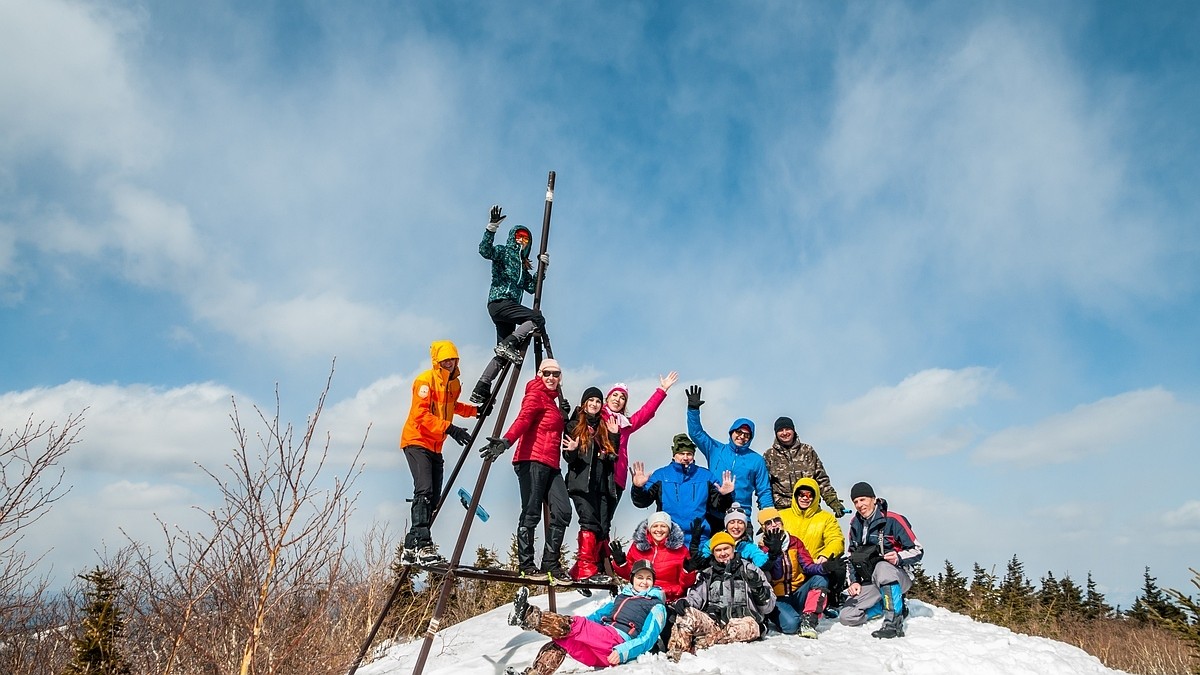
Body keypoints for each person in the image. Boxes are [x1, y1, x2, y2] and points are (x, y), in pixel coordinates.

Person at [480, 359, 573, 578]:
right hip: (530, 460)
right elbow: (523, 420)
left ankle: (550, 563)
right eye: (547, 373)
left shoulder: (553, 402)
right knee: (531, 512)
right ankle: (526, 564)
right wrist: (506, 441)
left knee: (563, 511)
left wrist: (564, 416)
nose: (551, 378)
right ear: (539, 374)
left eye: (556, 374)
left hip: (551, 464)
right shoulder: (535, 395)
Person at [506, 559, 667, 675]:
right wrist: (573, 630)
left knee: (575, 625)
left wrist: (624, 650)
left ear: (653, 581)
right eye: (640, 577)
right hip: (600, 646)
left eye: (648, 578)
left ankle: (527, 615)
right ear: (632, 579)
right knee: (563, 641)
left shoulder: (656, 605)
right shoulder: (621, 597)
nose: (644, 582)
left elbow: (648, 638)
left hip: (618, 643)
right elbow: (596, 617)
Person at [399, 340, 481, 565]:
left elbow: (452, 406)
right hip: (416, 440)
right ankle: (423, 545)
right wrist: (450, 428)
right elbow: (420, 415)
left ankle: (410, 545)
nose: (449, 363)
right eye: (445, 360)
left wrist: (475, 411)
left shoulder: (454, 384)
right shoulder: (425, 381)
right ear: (437, 361)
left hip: (436, 444)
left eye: (452, 359)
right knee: (424, 490)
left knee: (434, 498)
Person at [470, 205, 553, 405]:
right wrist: (491, 228)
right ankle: (509, 344)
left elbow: (532, 287)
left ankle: (482, 387)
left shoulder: (523, 267)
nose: (522, 241)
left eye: (526, 239)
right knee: (536, 318)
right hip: (500, 302)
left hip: (507, 309)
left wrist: (543, 268)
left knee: (503, 354)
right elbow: (485, 251)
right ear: (513, 238)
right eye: (519, 237)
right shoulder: (503, 252)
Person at [666, 532, 775, 662]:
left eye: (726, 548)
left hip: (743, 622)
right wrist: (684, 602)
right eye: (718, 550)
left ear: (733, 548)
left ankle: (701, 644)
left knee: (749, 626)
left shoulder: (751, 570)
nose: (722, 553)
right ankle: (676, 655)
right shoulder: (707, 574)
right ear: (713, 553)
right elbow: (696, 597)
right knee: (685, 613)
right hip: (715, 622)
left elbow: (769, 607)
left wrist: (759, 591)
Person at [599, 372, 678, 549]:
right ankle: (589, 561)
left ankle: (600, 563)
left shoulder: (625, 424)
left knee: (606, 521)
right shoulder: (598, 416)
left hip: (618, 479)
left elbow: (646, 412)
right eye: (615, 395)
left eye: (622, 398)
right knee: (595, 519)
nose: (618, 399)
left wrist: (662, 390)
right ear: (607, 397)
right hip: (600, 475)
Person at [839, 482, 924, 639]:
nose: (859, 505)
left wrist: (898, 557)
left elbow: (918, 550)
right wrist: (854, 581)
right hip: (871, 579)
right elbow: (851, 556)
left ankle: (893, 622)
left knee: (882, 567)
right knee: (847, 616)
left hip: (898, 575)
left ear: (873, 499)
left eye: (863, 499)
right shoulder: (854, 524)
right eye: (856, 502)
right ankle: (885, 605)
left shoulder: (893, 520)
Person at [628, 434, 735, 548]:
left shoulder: (706, 476)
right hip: (669, 539)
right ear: (674, 456)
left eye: (689, 454)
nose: (685, 457)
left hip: (700, 539)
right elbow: (642, 502)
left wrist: (726, 495)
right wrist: (638, 487)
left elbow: (721, 507)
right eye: (681, 454)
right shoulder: (661, 475)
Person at [562, 387, 622, 581]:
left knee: (602, 527)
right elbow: (568, 458)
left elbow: (612, 457)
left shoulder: (604, 427)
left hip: (602, 485)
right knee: (589, 522)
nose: (595, 404)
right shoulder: (574, 425)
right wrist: (572, 450)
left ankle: (583, 569)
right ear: (584, 403)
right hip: (581, 484)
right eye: (591, 401)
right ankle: (586, 568)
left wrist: (614, 436)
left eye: (598, 401)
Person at [684, 385, 773, 512]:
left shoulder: (756, 460)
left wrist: (769, 516)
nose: (742, 437)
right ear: (732, 432)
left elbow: (764, 490)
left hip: (741, 515)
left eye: (746, 435)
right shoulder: (715, 449)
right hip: (713, 512)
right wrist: (693, 410)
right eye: (739, 432)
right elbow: (696, 433)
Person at [756, 507, 828, 638]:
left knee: (820, 578)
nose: (773, 524)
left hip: (798, 592)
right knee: (791, 626)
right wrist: (775, 553)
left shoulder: (795, 542)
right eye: (768, 522)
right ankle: (780, 616)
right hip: (779, 598)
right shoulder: (761, 549)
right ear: (763, 527)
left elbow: (808, 566)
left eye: (776, 520)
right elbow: (775, 575)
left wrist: (825, 567)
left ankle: (809, 619)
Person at [778, 477, 847, 609]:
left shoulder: (826, 518)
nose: (805, 498)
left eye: (810, 495)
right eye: (801, 494)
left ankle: (824, 604)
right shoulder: (781, 516)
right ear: (795, 495)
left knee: (834, 569)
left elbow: (836, 539)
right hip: (787, 573)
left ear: (815, 497)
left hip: (813, 568)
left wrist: (825, 555)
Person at [763, 416, 846, 516]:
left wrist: (833, 502)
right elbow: (764, 487)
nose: (784, 433)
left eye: (787, 429)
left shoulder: (807, 451)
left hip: (810, 509)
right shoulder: (769, 455)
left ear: (793, 430)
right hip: (784, 510)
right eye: (780, 430)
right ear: (776, 433)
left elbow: (821, 479)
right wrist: (767, 513)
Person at [608, 512, 696, 603]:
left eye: (663, 526)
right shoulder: (637, 546)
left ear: (669, 529)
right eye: (655, 526)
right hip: (639, 595)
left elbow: (686, 584)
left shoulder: (680, 550)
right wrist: (621, 564)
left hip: (668, 598)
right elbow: (630, 576)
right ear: (649, 528)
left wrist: (687, 572)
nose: (659, 529)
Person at [689, 503, 769, 571]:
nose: (736, 526)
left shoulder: (748, 546)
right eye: (732, 522)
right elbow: (700, 561)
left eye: (740, 522)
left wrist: (773, 553)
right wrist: (694, 543)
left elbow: (761, 563)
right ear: (726, 525)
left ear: (745, 526)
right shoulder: (715, 541)